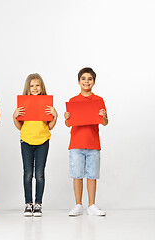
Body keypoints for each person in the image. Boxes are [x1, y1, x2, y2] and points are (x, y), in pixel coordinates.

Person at [64, 67, 108, 216]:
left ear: (94, 82)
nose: (86, 81)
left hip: (93, 144)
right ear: (78, 81)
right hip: (76, 144)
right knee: (77, 174)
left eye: (89, 79)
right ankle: (78, 205)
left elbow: (105, 122)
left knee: (92, 175)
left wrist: (103, 115)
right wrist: (67, 117)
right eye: (83, 79)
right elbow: (68, 124)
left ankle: (92, 205)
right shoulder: (73, 101)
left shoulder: (99, 100)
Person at [13, 73, 58, 217]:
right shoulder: (24, 104)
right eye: (32, 86)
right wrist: (15, 116)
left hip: (42, 141)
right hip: (26, 141)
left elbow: (50, 126)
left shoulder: (46, 103)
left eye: (37, 85)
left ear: (42, 86)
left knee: (39, 174)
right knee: (28, 174)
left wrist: (55, 115)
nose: (35, 88)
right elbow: (20, 126)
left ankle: (38, 203)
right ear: (28, 87)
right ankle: (28, 203)